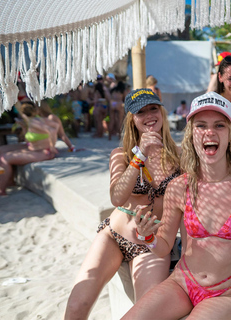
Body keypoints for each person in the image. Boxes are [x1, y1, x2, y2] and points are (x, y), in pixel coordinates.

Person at [122, 91, 231, 320]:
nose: (210, 132)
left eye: (219, 125)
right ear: (191, 134)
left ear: (230, 134)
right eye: (201, 125)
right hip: (182, 284)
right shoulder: (179, 187)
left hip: (226, 293)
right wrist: (148, 238)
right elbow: (164, 245)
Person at [64, 89, 181, 320]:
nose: (149, 115)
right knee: (78, 306)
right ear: (132, 119)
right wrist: (140, 156)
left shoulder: (179, 156)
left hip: (151, 244)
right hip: (114, 237)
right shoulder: (121, 155)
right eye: (140, 112)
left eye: (153, 108)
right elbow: (116, 197)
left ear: (162, 112)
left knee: (146, 312)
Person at [0, 102, 60, 196]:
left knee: (3, 158)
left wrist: (52, 147)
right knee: (1, 153)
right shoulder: (35, 121)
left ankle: (0, 190)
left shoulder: (34, 122)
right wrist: (23, 127)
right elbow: (54, 127)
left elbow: (53, 130)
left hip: (43, 152)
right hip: (36, 150)